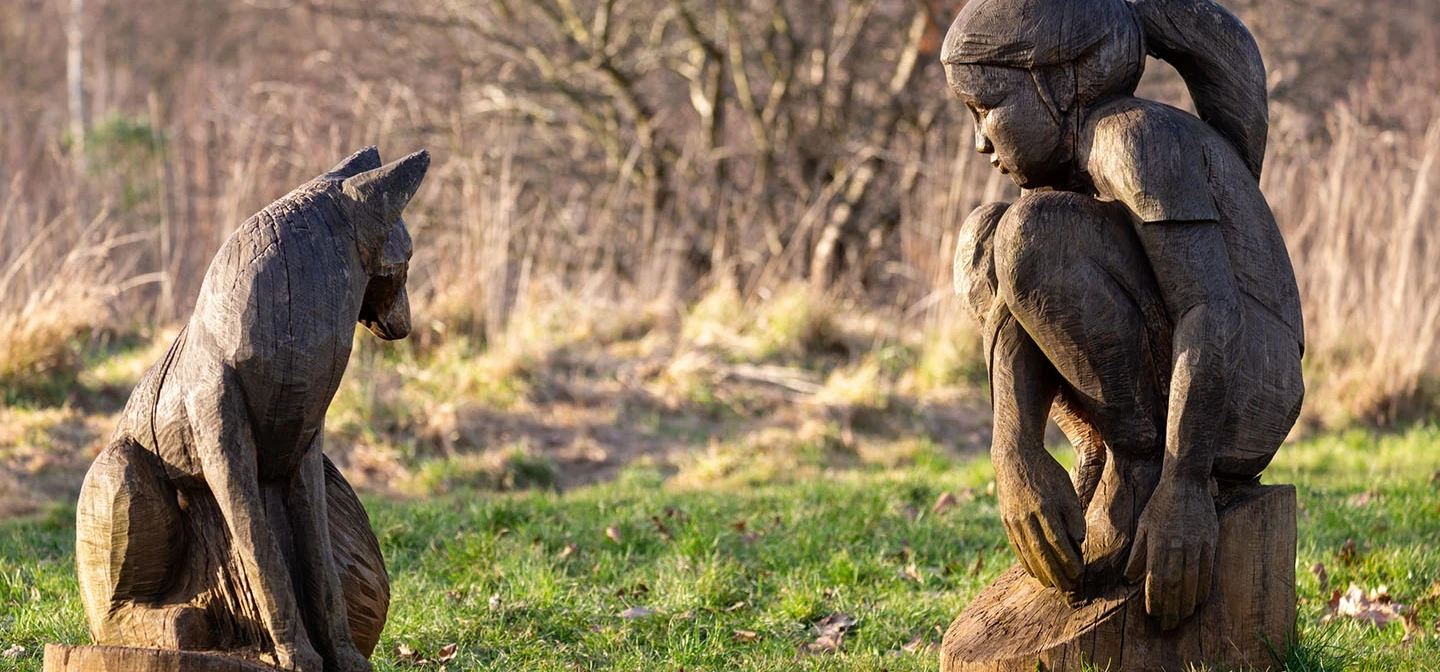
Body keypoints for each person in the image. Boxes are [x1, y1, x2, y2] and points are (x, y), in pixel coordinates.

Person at [943, 0, 1305, 630]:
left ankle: (1140, 470)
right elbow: (1014, 310)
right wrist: (1014, 449)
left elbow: (1208, 309)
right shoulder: (1067, 165)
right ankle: (1099, 450)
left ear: (1055, 83)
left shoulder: (1135, 139)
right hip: (1180, 363)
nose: (979, 141)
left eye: (988, 108)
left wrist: (1185, 484)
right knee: (984, 239)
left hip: (1244, 382)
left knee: (1029, 235)